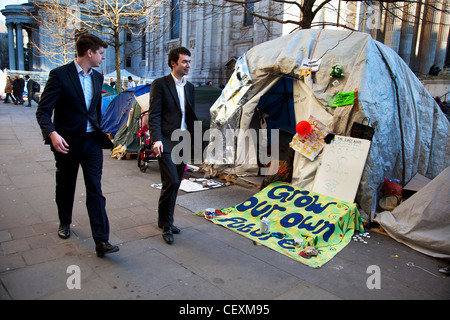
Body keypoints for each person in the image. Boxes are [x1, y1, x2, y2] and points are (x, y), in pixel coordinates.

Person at [36, 33, 119, 257]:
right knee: (66, 185)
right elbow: (43, 111)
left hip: (91, 143)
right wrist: (52, 134)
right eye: (101, 53)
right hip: (67, 143)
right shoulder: (60, 75)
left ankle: (102, 240)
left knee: (95, 190)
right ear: (89, 53)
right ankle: (65, 221)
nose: (103, 57)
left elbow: (93, 110)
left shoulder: (97, 77)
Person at [148, 47, 197, 244]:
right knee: (172, 182)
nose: (188, 65)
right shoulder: (160, 84)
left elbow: (190, 115)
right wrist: (156, 139)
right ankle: (167, 226)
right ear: (173, 63)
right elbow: (154, 114)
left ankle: (163, 219)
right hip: (166, 140)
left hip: (183, 141)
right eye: (184, 61)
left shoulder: (190, 87)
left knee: (174, 182)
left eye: (189, 62)